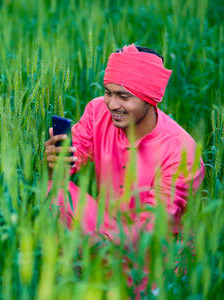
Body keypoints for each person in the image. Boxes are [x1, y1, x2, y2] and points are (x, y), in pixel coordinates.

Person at [44, 44, 205, 245]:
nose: (112, 104)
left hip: (153, 251)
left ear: (149, 99)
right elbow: (63, 169)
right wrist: (54, 161)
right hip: (105, 228)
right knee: (54, 190)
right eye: (108, 93)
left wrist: (97, 245)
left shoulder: (182, 153)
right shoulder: (97, 111)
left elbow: (152, 226)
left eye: (123, 96)